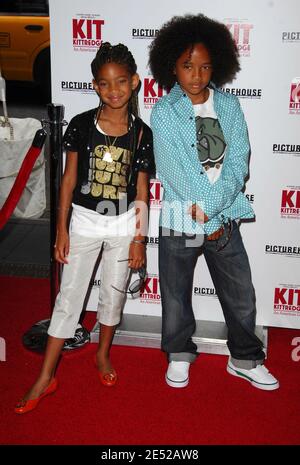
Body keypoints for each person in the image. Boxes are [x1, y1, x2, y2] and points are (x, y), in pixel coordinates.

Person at [15, 42, 154, 414]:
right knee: (69, 299)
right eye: (106, 84)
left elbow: (142, 191)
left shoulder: (142, 133)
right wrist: (60, 230)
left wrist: (139, 238)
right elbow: (67, 180)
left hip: (125, 224)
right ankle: (46, 377)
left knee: (113, 296)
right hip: (84, 221)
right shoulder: (79, 124)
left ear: (135, 82)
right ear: (95, 85)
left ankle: (103, 356)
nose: (114, 91)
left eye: (121, 82)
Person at [149, 14, 279, 390]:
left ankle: (244, 358)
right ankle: (178, 353)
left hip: (223, 218)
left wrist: (213, 211)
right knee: (175, 297)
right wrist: (206, 215)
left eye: (205, 66)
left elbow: (239, 163)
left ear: (216, 65)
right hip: (180, 218)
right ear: (172, 65)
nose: (196, 75)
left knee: (241, 295)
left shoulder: (230, 106)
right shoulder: (164, 112)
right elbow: (175, 172)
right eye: (188, 66)